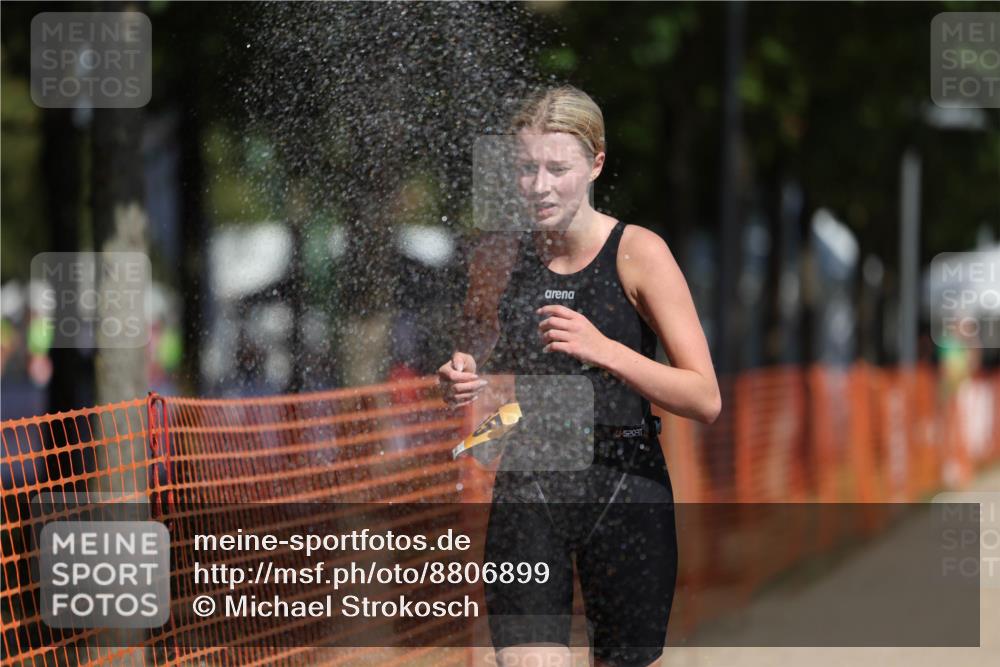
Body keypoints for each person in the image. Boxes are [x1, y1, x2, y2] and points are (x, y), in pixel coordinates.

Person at [438, 85, 720, 667]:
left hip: (626, 485)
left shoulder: (638, 253)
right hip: (529, 480)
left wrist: (606, 349)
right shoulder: (497, 255)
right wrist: (462, 369)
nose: (539, 187)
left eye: (557, 169)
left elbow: (704, 396)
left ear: (596, 163)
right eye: (524, 168)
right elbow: (478, 334)